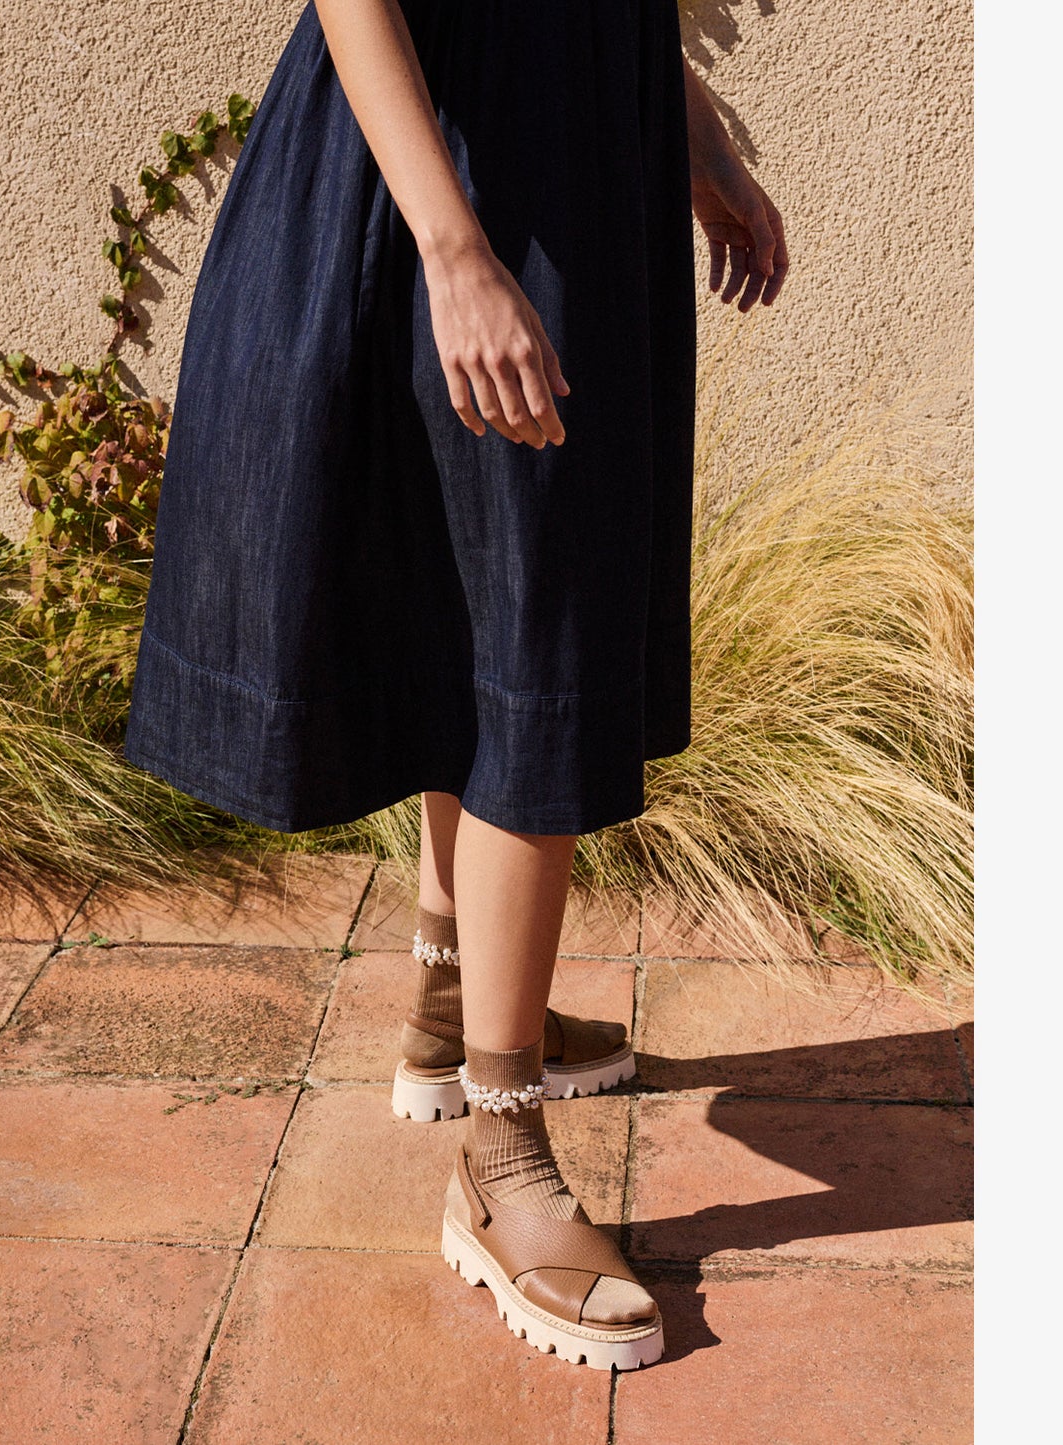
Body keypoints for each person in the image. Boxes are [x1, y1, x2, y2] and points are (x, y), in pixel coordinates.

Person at [125, 0, 787, 1370]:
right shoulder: (459, 236)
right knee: (535, 643)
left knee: (485, 615)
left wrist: (700, 141)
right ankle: (501, 1158)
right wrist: (457, 253)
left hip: (571, 183)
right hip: (453, 200)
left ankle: (452, 1003)